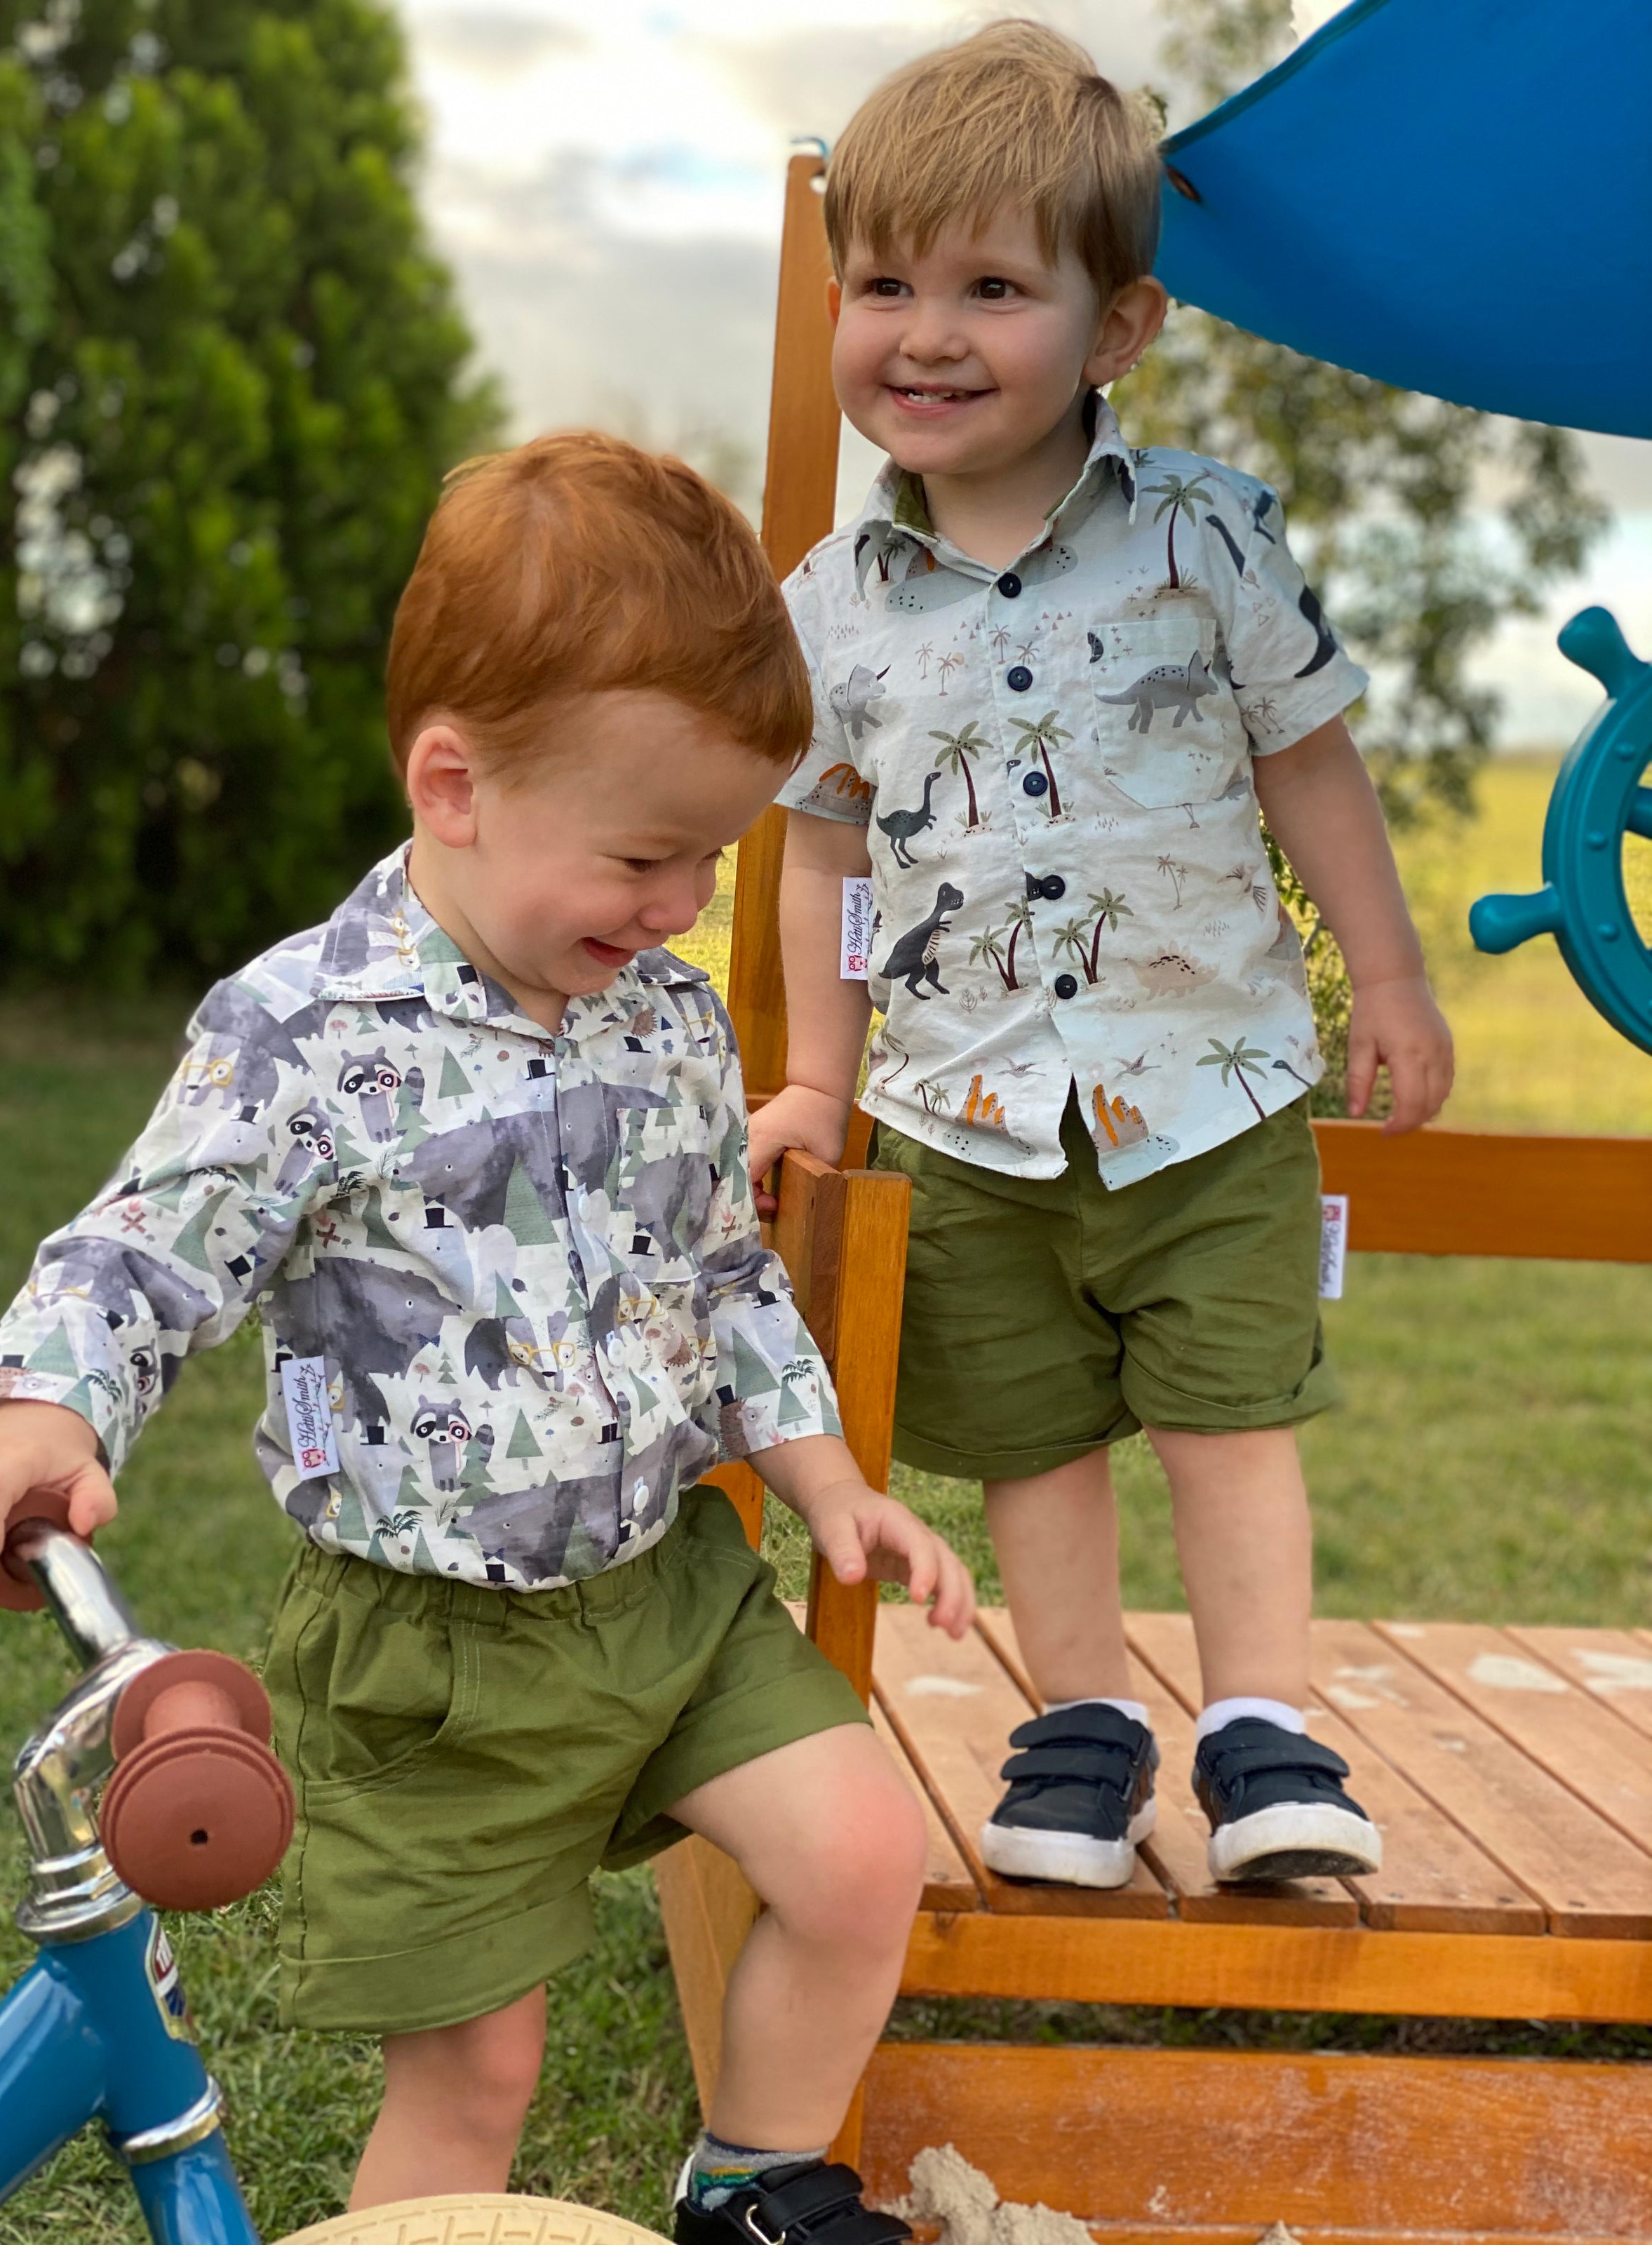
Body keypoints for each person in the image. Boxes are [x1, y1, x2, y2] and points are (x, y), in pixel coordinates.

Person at [0, 431, 975, 2235]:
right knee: (480, 2067)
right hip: (428, 1665)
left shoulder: (661, 1020)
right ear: (455, 780)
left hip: (666, 1599)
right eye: (649, 858)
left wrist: (828, 1484)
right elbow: (144, 1246)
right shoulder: (302, 1032)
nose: (680, 913)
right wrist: (45, 1406)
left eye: (713, 866)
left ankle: (749, 2192)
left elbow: (723, 1273)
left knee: (862, 1848)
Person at [748, 22, 1453, 1892]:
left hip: (1208, 1090)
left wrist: (1386, 984)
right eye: (886, 283)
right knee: (1031, 1444)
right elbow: (823, 845)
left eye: (993, 286)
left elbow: (1312, 761)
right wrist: (822, 1073)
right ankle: (1079, 1730)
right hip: (960, 1110)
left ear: (1117, 327)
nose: (928, 331)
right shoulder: (831, 605)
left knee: (1230, 1418)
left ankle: (1263, 1728)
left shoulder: (1203, 543)